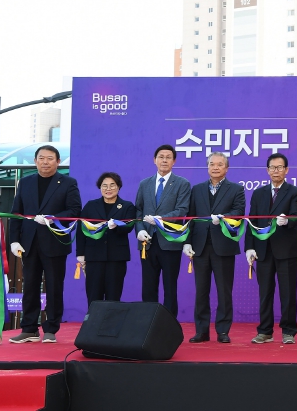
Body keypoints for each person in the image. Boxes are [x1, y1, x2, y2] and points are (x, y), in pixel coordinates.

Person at [8, 145, 82, 344]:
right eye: (41, 158)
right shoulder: (25, 182)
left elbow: (74, 211)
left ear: (58, 162)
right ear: (35, 161)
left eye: (50, 158)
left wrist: (52, 218)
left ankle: (51, 329)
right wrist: (14, 240)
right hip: (29, 243)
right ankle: (29, 329)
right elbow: (16, 213)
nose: (45, 162)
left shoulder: (68, 183)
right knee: (30, 286)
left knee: (54, 287)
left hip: (55, 242)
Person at [184, 152, 244, 344]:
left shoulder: (236, 189)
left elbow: (239, 212)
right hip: (200, 247)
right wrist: (187, 241)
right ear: (207, 166)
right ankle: (201, 331)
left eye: (219, 164)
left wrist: (224, 218)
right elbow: (191, 217)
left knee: (224, 291)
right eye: (212, 164)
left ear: (227, 168)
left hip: (224, 246)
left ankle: (223, 330)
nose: (215, 167)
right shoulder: (197, 189)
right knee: (201, 291)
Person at [245, 153, 297, 345]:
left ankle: (288, 331)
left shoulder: (294, 192)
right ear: (267, 170)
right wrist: (249, 247)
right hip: (263, 250)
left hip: (286, 250)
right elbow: (251, 221)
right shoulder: (259, 193)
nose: (275, 171)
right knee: (265, 292)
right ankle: (265, 331)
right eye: (272, 167)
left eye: (279, 167)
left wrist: (287, 221)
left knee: (288, 292)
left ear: (286, 170)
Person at [135, 144, 191, 319]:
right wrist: (139, 230)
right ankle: (148, 323)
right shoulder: (145, 184)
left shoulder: (182, 183)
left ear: (174, 161)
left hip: (170, 242)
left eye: (168, 157)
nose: (164, 160)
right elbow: (138, 210)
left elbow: (182, 210)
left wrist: (160, 219)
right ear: (154, 160)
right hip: (147, 243)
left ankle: (168, 325)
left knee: (170, 287)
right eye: (161, 157)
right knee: (148, 287)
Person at [75, 172, 137, 306]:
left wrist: (116, 226)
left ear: (118, 187)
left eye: (112, 185)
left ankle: (112, 320)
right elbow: (81, 230)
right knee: (93, 296)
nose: (108, 189)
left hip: (116, 258)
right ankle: (94, 319)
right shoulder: (91, 205)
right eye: (104, 186)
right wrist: (80, 253)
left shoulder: (127, 206)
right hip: (94, 257)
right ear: (100, 187)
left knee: (113, 297)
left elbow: (129, 227)